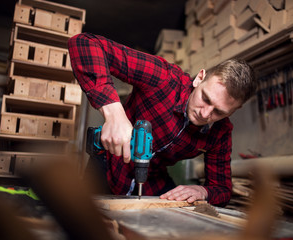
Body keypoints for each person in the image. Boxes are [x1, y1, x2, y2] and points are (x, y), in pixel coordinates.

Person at [68, 32, 256, 206]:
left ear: (233, 111)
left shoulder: (220, 132)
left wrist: (203, 190)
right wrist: (114, 113)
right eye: (205, 99)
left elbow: (222, 189)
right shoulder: (163, 78)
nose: (205, 114)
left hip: (153, 180)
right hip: (109, 167)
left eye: (219, 112)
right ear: (199, 78)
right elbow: (84, 43)